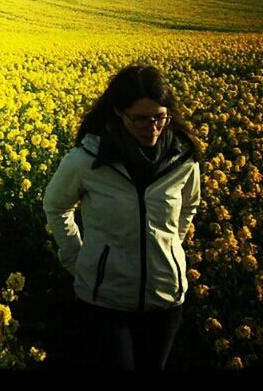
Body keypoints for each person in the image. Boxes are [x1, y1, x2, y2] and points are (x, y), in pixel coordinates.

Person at [42, 64, 201, 370]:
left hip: (166, 298)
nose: (152, 127)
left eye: (159, 117)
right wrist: (76, 258)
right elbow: (56, 206)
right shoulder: (86, 161)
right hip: (105, 299)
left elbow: (188, 207)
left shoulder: (183, 161)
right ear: (118, 112)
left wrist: (171, 249)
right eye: (140, 118)